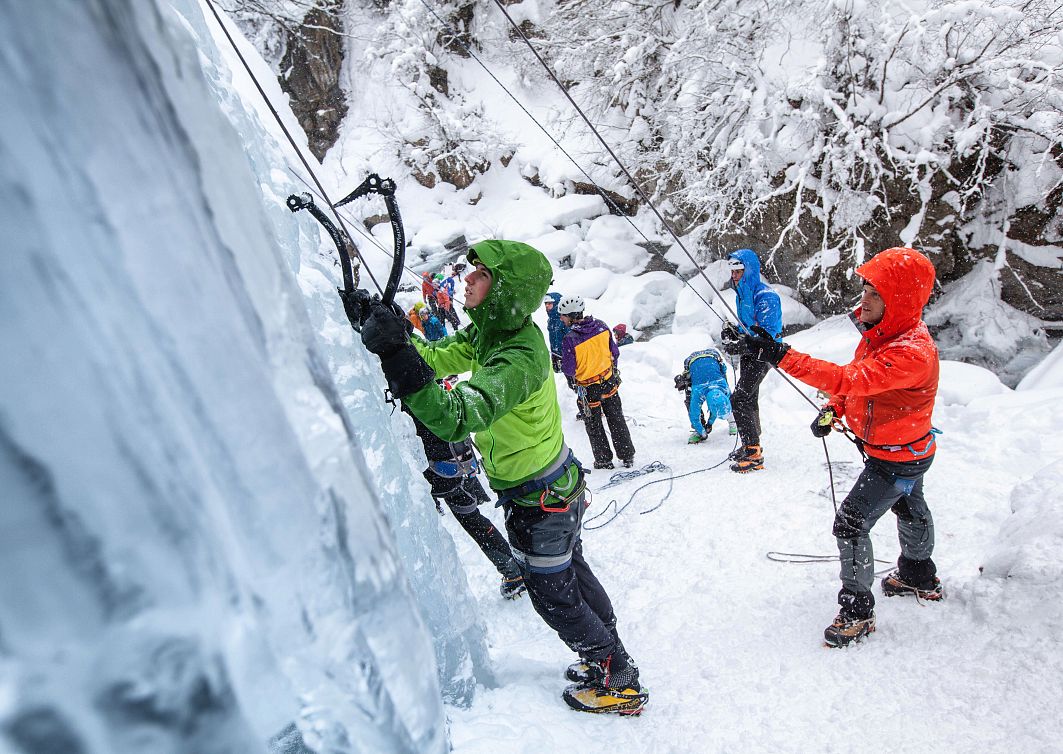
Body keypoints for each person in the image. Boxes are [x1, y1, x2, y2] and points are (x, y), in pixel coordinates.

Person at [357, 240, 647, 714]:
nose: (467, 280)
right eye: (470, 272)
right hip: (553, 488)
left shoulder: (517, 356)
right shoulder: (491, 333)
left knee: (553, 595)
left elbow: (455, 415)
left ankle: (618, 676)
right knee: (571, 573)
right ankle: (606, 656)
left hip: (541, 500)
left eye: (480, 275)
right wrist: (394, 338)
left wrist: (396, 355)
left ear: (504, 289)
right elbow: (436, 358)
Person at [740, 247, 942, 648]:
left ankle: (857, 612)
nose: (862, 300)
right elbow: (859, 388)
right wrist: (834, 410)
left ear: (898, 302)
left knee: (850, 522)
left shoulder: (911, 353)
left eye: (875, 294)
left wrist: (782, 355)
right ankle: (919, 576)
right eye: (864, 289)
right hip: (903, 451)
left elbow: (849, 379)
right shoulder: (882, 336)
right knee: (908, 504)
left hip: (898, 458)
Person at [405, 398, 526, 600]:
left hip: (438, 471)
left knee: (465, 520)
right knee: (472, 519)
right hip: (456, 463)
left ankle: (512, 571)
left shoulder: (403, 394)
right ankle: (512, 569)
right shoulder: (431, 382)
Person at [719, 249, 782, 473]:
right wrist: (733, 334)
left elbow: (768, 334)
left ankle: (753, 453)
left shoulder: (765, 296)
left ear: (749, 270)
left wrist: (744, 343)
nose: (735, 276)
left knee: (740, 398)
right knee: (749, 396)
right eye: (733, 271)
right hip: (750, 353)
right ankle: (750, 443)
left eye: (739, 271)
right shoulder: (742, 294)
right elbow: (747, 326)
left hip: (764, 354)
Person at [559, 296, 636, 470]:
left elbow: (570, 369)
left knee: (594, 425)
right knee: (616, 418)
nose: (561, 319)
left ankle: (603, 459)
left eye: (563, 315)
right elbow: (614, 352)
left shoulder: (570, 339)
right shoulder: (601, 326)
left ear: (571, 316)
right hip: (608, 382)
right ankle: (627, 454)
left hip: (587, 389)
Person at [675, 347, 737, 443]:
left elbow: (716, 404)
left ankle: (732, 421)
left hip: (714, 357)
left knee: (725, 401)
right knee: (690, 400)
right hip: (692, 360)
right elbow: (694, 415)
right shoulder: (698, 392)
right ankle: (698, 431)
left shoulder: (724, 387)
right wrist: (702, 432)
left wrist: (710, 423)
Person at [543, 292, 567, 372]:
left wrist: (567, 356)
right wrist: (554, 356)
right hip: (557, 355)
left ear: (557, 304)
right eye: (546, 303)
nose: (547, 306)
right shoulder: (551, 320)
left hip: (568, 356)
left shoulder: (565, 319)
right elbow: (553, 339)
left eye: (550, 303)